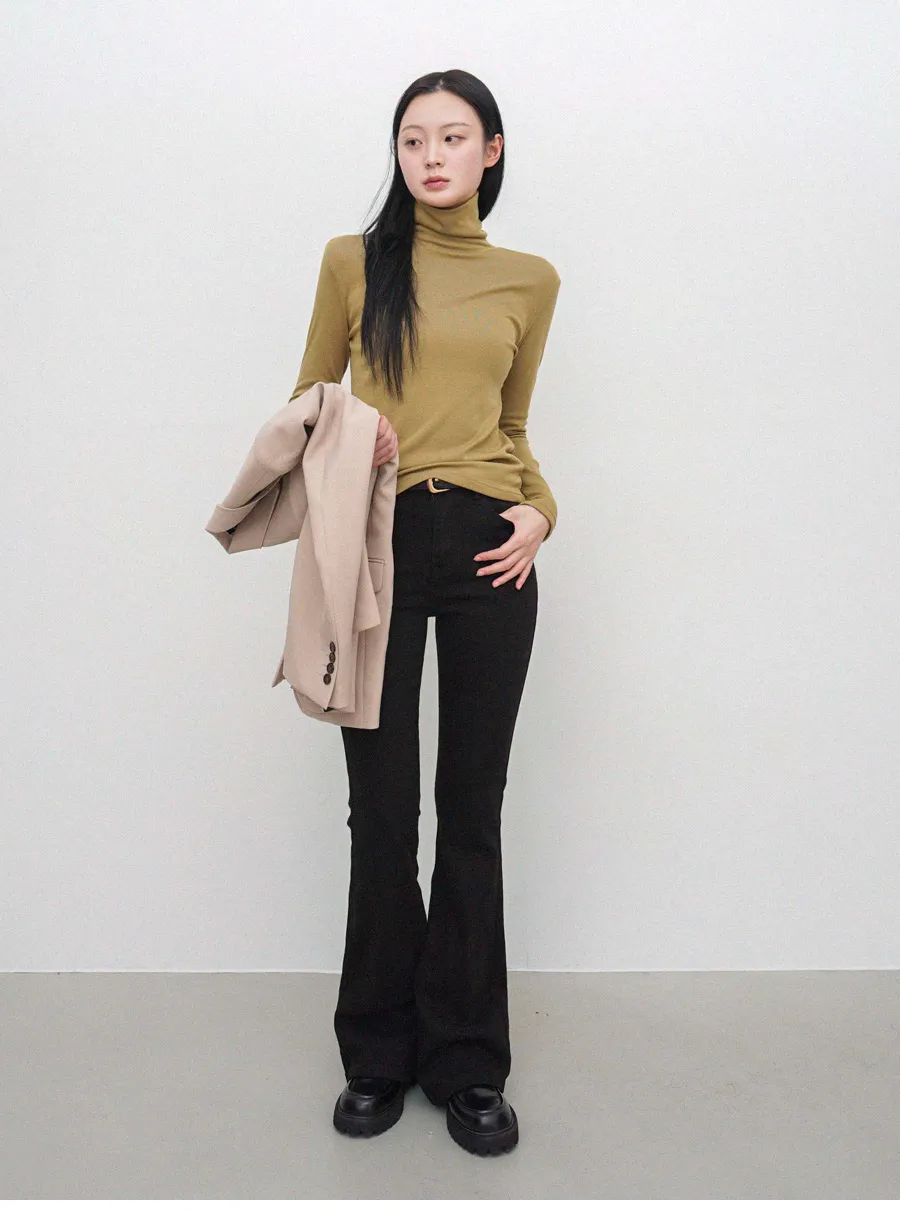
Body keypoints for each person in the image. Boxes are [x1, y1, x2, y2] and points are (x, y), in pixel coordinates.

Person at [289, 69, 561, 1157]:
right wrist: (356, 433)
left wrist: (542, 511)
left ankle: (468, 1062)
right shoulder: (354, 263)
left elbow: (514, 426)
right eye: (413, 139)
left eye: (453, 137)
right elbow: (306, 404)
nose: (431, 156)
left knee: (472, 808)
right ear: (397, 153)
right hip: (380, 540)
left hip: (495, 544)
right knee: (383, 807)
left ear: (491, 150)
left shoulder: (529, 279)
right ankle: (377, 1052)